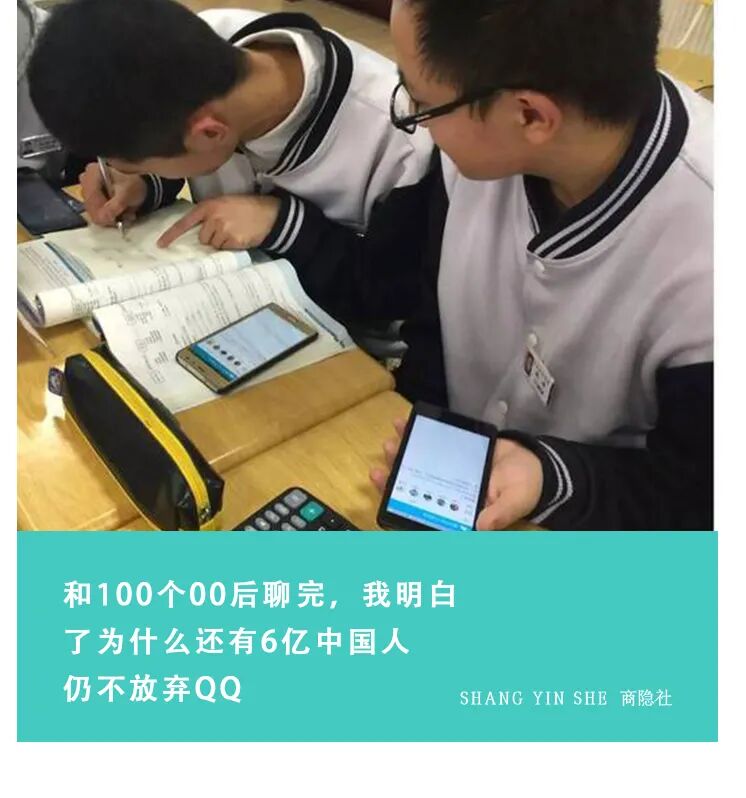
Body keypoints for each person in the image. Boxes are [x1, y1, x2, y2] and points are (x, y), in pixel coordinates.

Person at [129, 0, 711, 531]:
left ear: (531, 117)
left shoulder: (706, 268)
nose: (412, 119)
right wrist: (425, 430)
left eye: (422, 104)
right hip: (456, 483)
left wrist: (553, 477)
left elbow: (698, 496)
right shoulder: (480, 155)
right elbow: (433, 319)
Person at [27, 0, 432, 248]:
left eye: (137, 164)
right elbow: (185, 140)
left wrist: (280, 224)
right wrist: (147, 184)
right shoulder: (202, 55)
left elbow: (389, 291)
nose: (122, 170)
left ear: (209, 133)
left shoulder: (405, 140)